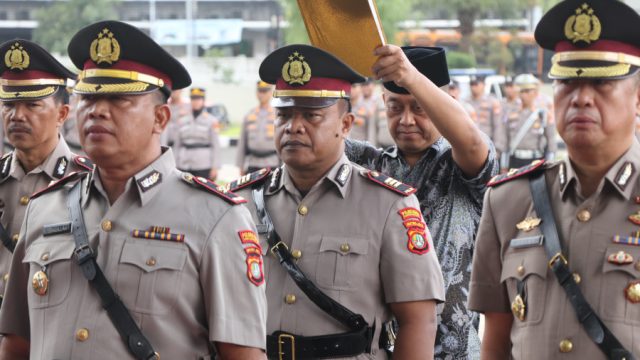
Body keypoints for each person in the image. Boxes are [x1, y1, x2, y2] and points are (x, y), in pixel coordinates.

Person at [0, 20, 267, 360]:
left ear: (161, 118)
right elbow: (17, 343)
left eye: (118, 99)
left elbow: (242, 354)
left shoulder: (217, 219)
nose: (97, 110)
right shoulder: (43, 208)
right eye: (89, 97)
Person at [228, 44, 445, 359]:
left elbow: (419, 320)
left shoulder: (387, 205)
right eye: (284, 114)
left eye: (312, 115)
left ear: (345, 125)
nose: (293, 127)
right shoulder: (241, 202)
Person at [469, 0, 640, 359]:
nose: (581, 99)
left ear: (637, 98)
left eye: (601, 83)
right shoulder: (507, 201)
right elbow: (496, 341)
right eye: (567, 83)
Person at [345, 46, 497, 359]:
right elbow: (323, 138)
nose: (406, 120)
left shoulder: (461, 166)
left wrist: (410, 77)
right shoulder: (370, 164)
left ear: (443, 103)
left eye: (419, 107)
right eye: (394, 108)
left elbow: (469, 139)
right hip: (384, 347)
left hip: (454, 352)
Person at [0, 39, 91, 305]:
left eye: (32, 105)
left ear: (62, 114)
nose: (17, 116)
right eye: (9, 105)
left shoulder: (87, 182)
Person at [501, 74, 557, 170]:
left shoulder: (543, 114)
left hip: (535, 161)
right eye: (521, 91)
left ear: (535, 93)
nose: (523, 95)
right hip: (515, 160)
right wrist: (503, 166)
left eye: (527, 91)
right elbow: (505, 142)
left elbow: (551, 142)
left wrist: (550, 165)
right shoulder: (511, 114)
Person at [172, 87, 221, 180]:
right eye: (193, 99)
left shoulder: (211, 121)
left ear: (203, 101)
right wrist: (174, 164)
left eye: (198, 99)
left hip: (203, 165)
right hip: (184, 164)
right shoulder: (182, 120)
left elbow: (216, 146)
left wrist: (215, 167)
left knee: (202, 193)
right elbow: (177, 145)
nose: (196, 102)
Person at [236, 81, 279, 174]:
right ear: (256, 93)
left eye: (265, 91)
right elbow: (242, 142)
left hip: (272, 162)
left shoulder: (277, 114)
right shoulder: (250, 114)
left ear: (271, 93)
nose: (262, 94)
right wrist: (241, 165)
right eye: (260, 91)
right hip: (253, 163)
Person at [467, 76, 506, 156]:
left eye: (476, 84)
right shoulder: (465, 102)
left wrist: (497, 149)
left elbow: (498, 126)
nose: (473, 87)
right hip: (468, 146)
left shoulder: (492, 102)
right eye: (472, 84)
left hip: (487, 146)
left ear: (483, 85)